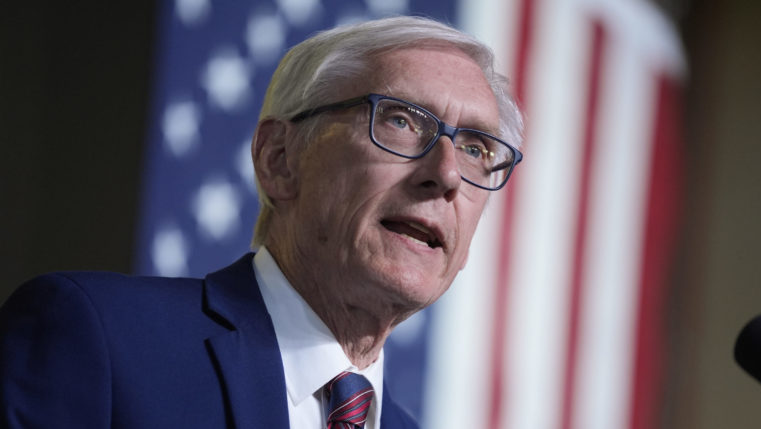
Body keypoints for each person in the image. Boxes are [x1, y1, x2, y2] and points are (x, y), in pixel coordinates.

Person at [0, 16, 523, 429]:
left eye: (477, 149)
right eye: (401, 121)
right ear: (278, 158)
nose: (448, 174)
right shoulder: (100, 342)